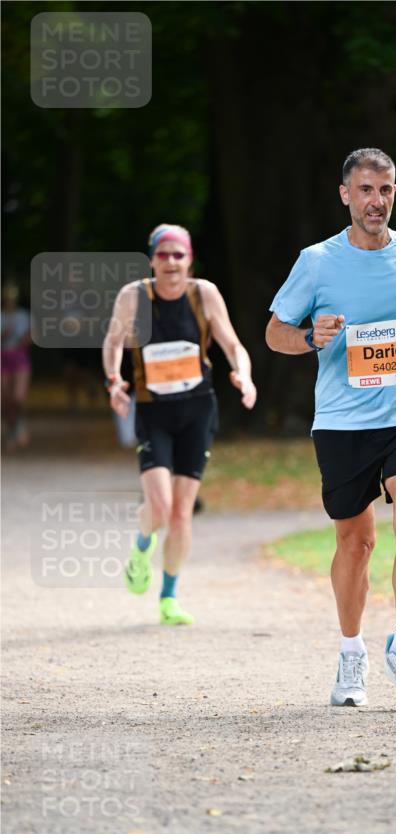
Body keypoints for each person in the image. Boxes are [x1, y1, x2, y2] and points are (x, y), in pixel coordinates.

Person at [266, 148, 396, 707]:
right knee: (356, 542)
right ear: (345, 194)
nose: (377, 201)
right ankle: (352, 654)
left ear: (394, 193)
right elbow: (275, 333)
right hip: (343, 422)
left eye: (386, 190)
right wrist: (310, 337)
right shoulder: (318, 261)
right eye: (367, 190)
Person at [103, 224, 257, 625]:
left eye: (178, 255)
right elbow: (114, 341)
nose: (171, 262)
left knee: (181, 514)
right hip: (154, 411)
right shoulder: (133, 296)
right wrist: (114, 381)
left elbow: (232, 344)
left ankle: (168, 598)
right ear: (152, 258)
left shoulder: (203, 294)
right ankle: (141, 547)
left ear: (189, 259)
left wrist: (243, 374)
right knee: (159, 507)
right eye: (163, 254)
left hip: (197, 412)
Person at [1, 281, 33, 452]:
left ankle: (19, 425)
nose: (9, 301)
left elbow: (32, 334)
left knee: (18, 398)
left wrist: (26, 339)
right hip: (2, 357)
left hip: (19, 357)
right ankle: (11, 430)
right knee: (5, 400)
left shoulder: (23, 315)